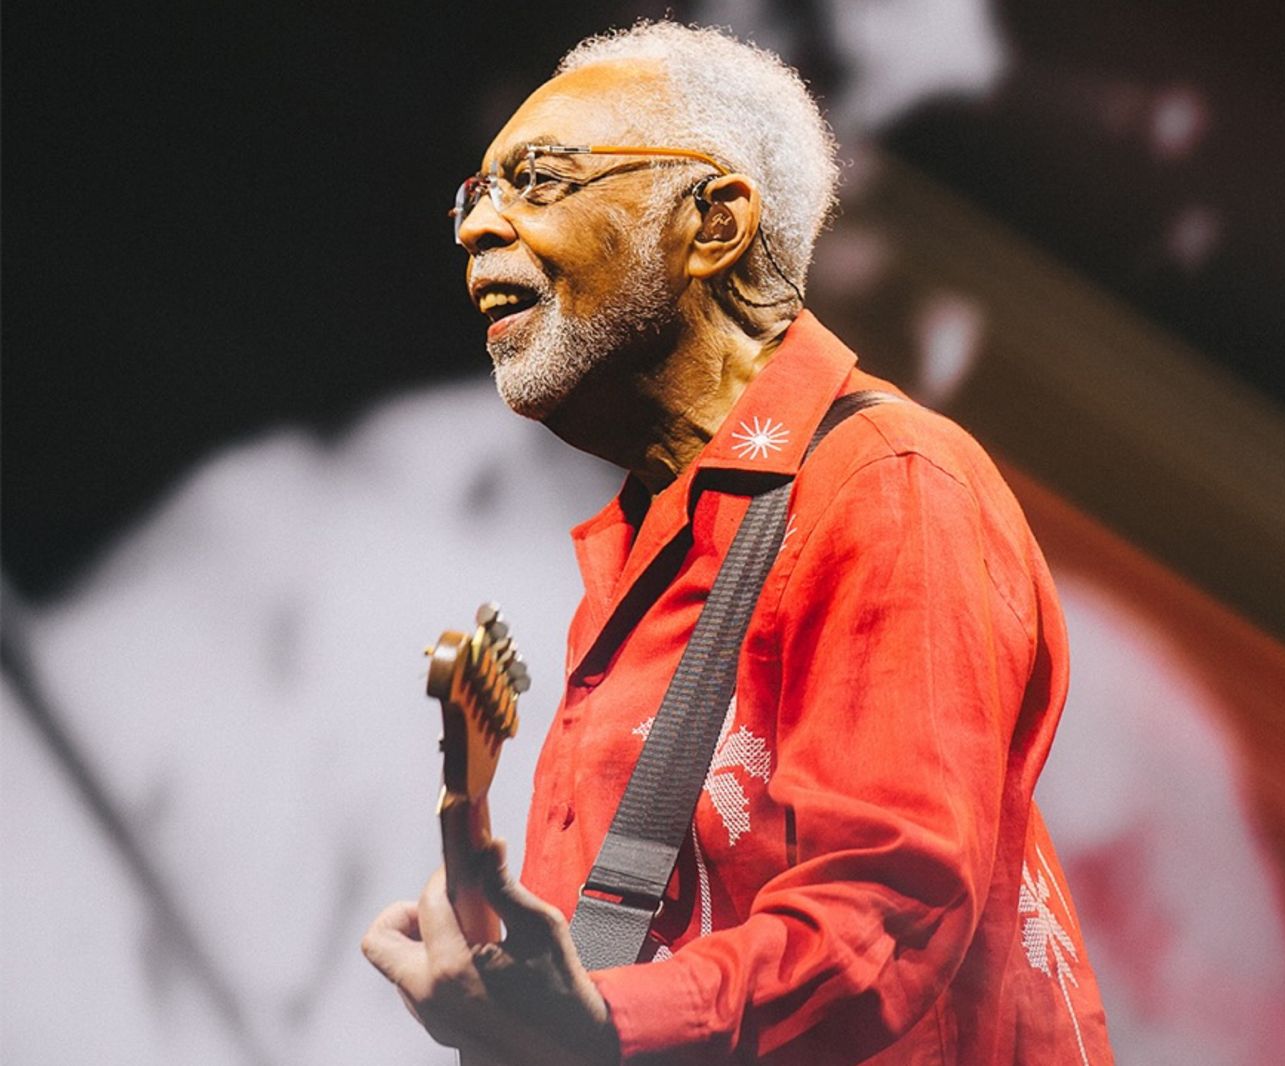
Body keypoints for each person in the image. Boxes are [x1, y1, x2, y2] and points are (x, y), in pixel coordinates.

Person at [361, 21, 1113, 1065]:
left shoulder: (888, 479)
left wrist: (600, 1020)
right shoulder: (641, 548)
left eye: (536, 179)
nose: (478, 225)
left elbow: (884, 912)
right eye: (473, 194)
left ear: (714, 222)